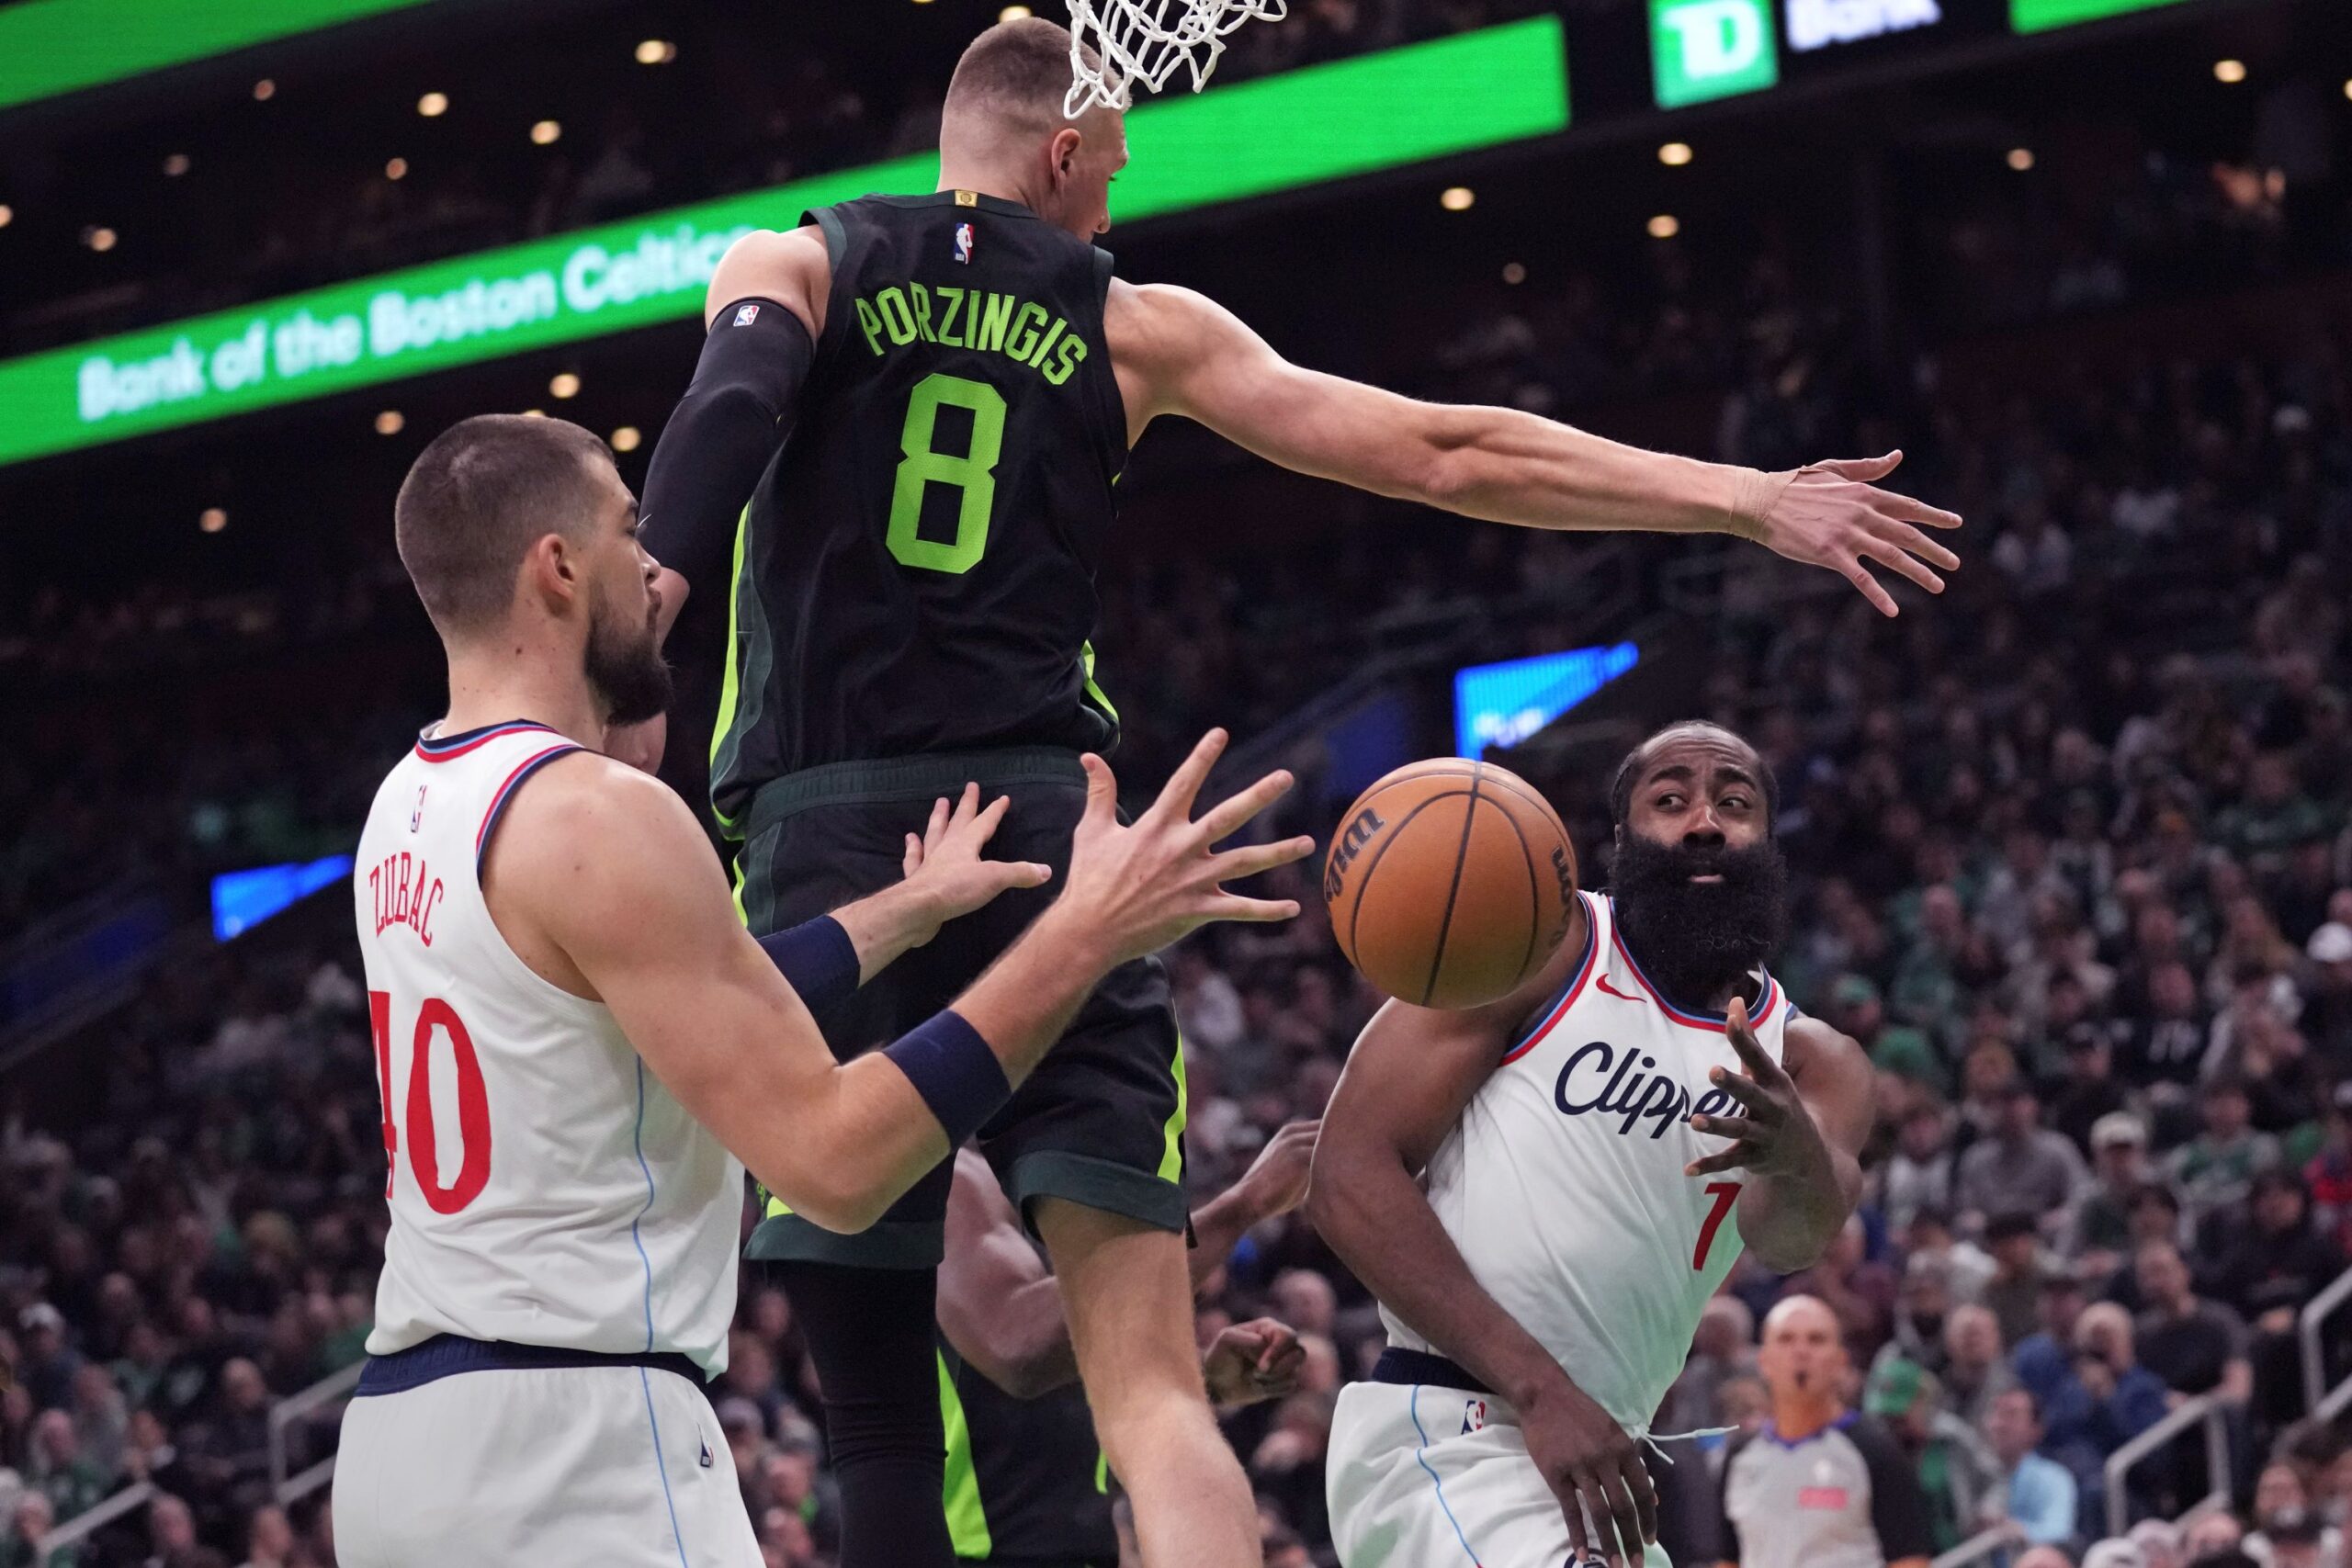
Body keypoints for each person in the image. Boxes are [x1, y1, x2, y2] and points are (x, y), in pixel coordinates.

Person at [629, 17, 1961, 1568]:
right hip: (1070, 858)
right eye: (1110, 172)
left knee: (873, 1413)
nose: (1112, 211)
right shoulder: (1135, 323)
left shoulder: (795, 259)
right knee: (1157, 1401)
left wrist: (650, 598)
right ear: (1065, 155)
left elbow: (727, 415)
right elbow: (1446, 452)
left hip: (828, 844)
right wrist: (1742, 498)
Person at [329, 413, 1309, 1567]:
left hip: (402, 1451)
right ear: (556, 567)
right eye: (628, 531)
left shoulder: (406, 807)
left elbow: (680, 996)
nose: (655, 569)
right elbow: (835, 1166)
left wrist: (906, 910)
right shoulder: (600, 811)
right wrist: (1086, 934)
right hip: (575, 1450)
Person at [1310, 723, 1877, 1567]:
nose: (1704, 821)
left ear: (1769, 842)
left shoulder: (1813, 1059)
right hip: (1450, 1430)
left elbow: (1789, 1238)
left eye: (1734, 802)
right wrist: (1542, 1391)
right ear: (1622, 840)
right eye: (1670, 799)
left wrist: (1792, 1152)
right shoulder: (1538, 943)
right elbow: (1346, 1175)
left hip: (1596, 1470)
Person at [933, 1122, 1320, 1566]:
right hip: (975, 1550)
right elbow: (1015, 1343)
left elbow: (1073, 1355)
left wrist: (1200, 1379)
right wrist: (1241, 1206)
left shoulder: (1045, 1180)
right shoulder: (953, 1178)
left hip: (1078, 1546)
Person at [1716, 1297, 1935, 1568]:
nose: (1801, 1351)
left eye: (1816, 1340)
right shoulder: (1739, 1456)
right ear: (1764, 1361)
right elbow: (1728, 1560)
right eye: (1786, 1339)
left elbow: (1909, 1561)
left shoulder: (1876, 1452)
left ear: (1840, 1362)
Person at [1984, 1388, 2079, 1551]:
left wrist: (2018, 1531)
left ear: (2036, 1430)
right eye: (1996, 1413)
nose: (1999, 1424)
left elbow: (2059, 1532)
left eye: (2011, 1415)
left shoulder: (2054, 1478)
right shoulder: (1971, 1474)